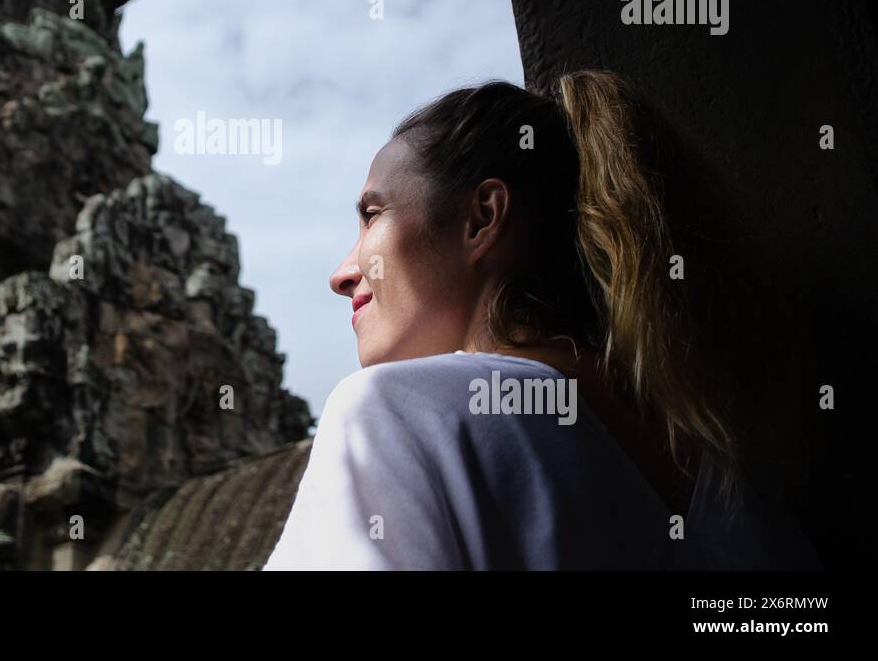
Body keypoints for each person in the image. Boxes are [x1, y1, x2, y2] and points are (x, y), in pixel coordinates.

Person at [262, 71, 820, 570]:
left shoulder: (394, 414)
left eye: (371, 215)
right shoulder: (727, 470)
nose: (342, 273)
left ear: (482, 217)